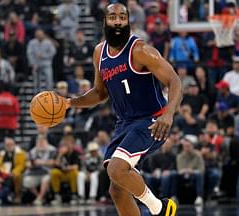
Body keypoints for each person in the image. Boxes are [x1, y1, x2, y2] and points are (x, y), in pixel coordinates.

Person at [64, 3, 182, 216]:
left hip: (152, 121)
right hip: (124, 124)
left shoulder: (140, 50)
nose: (117, 21)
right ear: (105, 22)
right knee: (117, 190)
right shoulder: (99, 53)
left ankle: (161, 209)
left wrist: (169, 113)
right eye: (113, 17)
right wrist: (70, 103)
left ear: (128, 22)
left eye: (122, 17)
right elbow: (100, 93)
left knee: (116, 169)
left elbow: (174, 81)